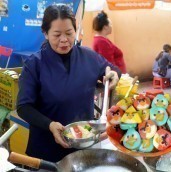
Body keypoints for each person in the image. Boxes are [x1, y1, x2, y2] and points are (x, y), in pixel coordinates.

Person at [17, 5, 120, 162]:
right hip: (46, 150)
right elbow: (24, 107)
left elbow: (112, 70)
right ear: (45, 33)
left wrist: (113, 74)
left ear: (75, 30)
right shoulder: (35, 64)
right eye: (57, 34)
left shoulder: (89, 57)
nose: (64, 40)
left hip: (84, 146)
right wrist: (50, 125)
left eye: (69, 33)